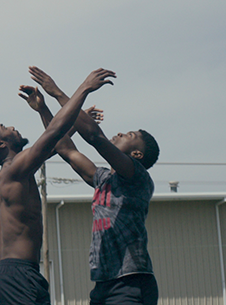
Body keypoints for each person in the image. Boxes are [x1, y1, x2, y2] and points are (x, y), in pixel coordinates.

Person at [0, 68, 115, 305]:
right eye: (5, 127)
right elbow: (54, 133)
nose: (12, 126)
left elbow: (57, 143)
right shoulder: (11, 172)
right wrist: (83, 88)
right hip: (15, 276)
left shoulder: (19, 169)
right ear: (0, 143)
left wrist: (58, 113)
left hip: (25, 274)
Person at [27, 67, 160, 305]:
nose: (120, 132)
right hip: (104, 283)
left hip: (130, 282)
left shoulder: (137, 177)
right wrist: (43, 109)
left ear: (137, 153)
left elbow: (95, 137)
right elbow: (66, 149)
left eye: (129, 134)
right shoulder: (104, 180)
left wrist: (60, 92)